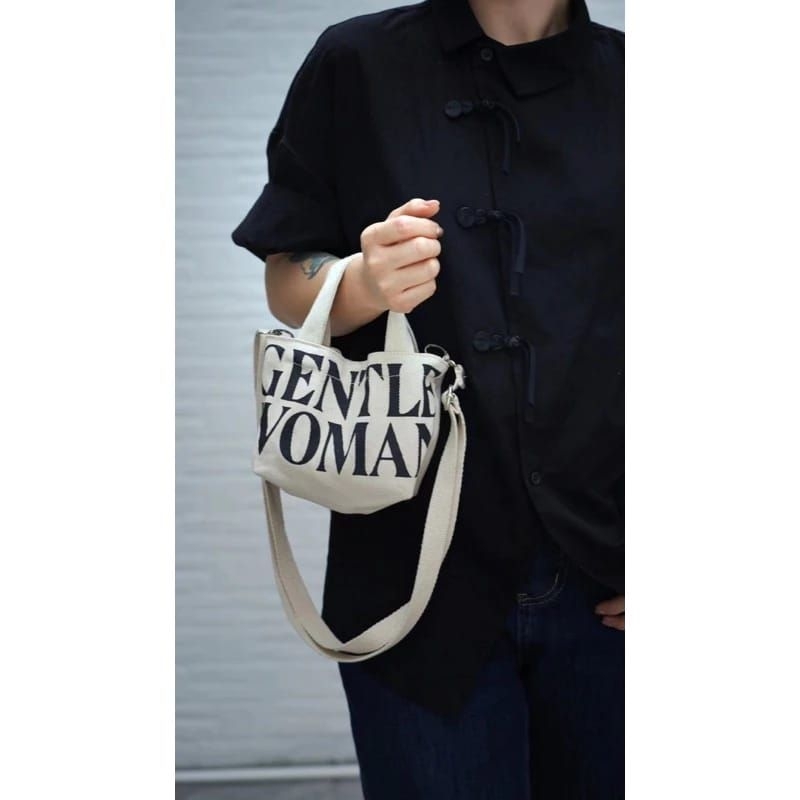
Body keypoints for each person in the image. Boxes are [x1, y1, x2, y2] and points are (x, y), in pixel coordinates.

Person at [232, 0, 624, 796]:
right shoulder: (356, 62)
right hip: (410, 574)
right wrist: (360, 282)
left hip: (612, 567)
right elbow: (287, 276)